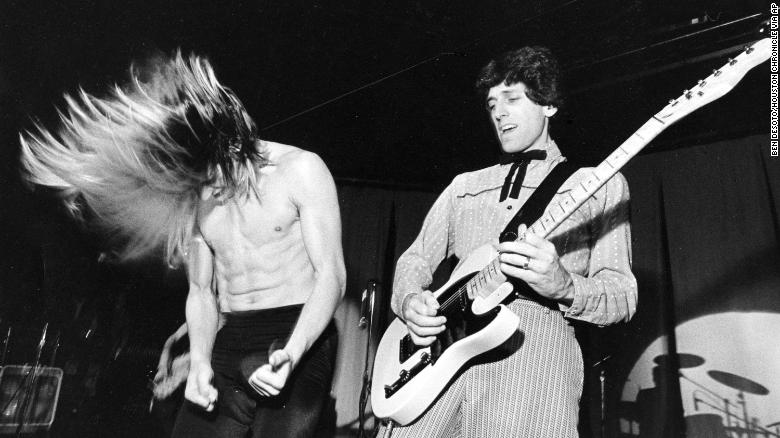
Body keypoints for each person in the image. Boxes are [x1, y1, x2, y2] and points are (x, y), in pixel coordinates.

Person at [19, 52, 346, 437]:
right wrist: (202, 362)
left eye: (211, 175)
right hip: (233, 334)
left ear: (232, 145)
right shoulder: (199, 193)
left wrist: (292, 354)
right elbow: (201, 292)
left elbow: (332, 276)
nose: (207, 191)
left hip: (299, 331)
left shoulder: (301, 170)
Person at [381, 46, 638, 437]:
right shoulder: (463, 188)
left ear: (549, 104)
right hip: (441, 356)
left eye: (512, 98)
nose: (498, 112)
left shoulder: (597, 185)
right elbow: (414, 260)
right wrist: (409, 299)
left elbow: (622, 296)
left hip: (532, 352)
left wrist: (565, 286)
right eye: (491, 104)